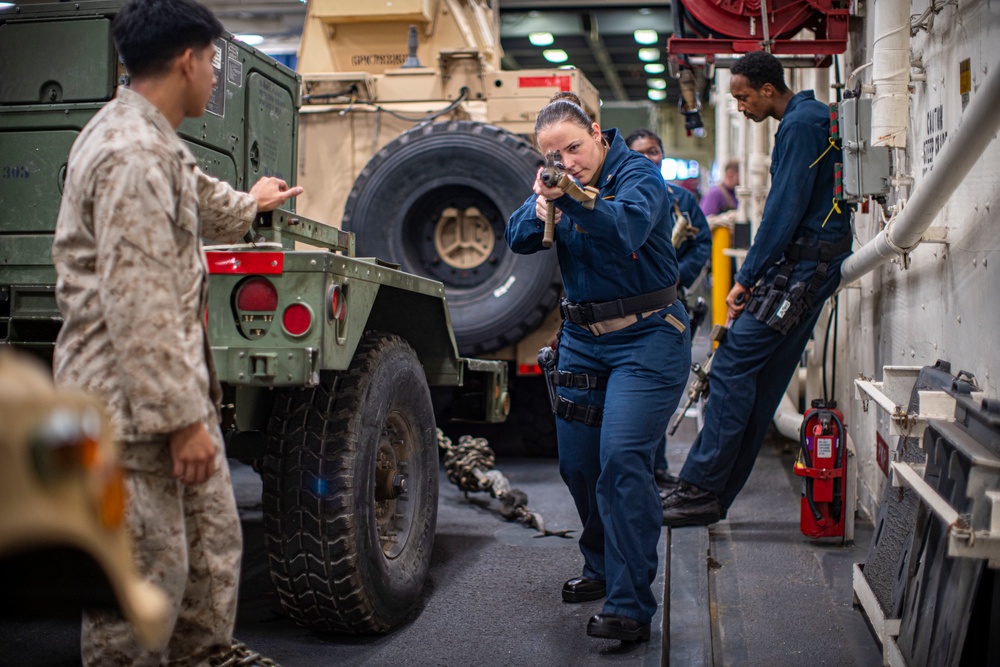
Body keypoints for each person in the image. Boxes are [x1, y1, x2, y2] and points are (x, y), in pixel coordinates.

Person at [51, 1, 302, 663]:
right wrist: (183, 420)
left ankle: (204, 654)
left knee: (211, 543)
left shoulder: (151, 137)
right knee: (141, 582)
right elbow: (140, 305)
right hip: (128, 409)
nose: (216, 76)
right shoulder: (129, 155)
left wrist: (254, 202)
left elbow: (199, 196)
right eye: (214, 60)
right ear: (188, 59)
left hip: (159, 398)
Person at [507, 96, 691, 642]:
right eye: (553, 155)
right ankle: (602, 566)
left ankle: (631, 606)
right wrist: (540, 206)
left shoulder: (639, 175)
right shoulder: (556, 181)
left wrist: (573, 200)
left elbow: (627, 228)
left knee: (622, 461)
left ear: (596, 133)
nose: (567, 160)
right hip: (583, 342)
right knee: (580, 465)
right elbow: (517, 237)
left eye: (574, 147)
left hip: (649, 338)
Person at [662, 50, 853, 527]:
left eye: (743, 97)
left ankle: (700, 488)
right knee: (761, 382)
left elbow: (783, 210)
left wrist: (747, 277)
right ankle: (709, 496)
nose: (741, 107)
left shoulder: (801, 124)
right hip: (807, 267)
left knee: (729, 369)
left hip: (803, 269)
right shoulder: (814, 117)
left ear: (769, 89)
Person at [624, 129, 711, 491]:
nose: (650, 158)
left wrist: (675, 278)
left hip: (670, 303)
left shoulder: (681, 200)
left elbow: (701, 242)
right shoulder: (619, 199)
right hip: (629, 306)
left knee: (659, 387)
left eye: (655, 150)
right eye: (640, 152)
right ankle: (632, 467)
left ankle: (656, 468)